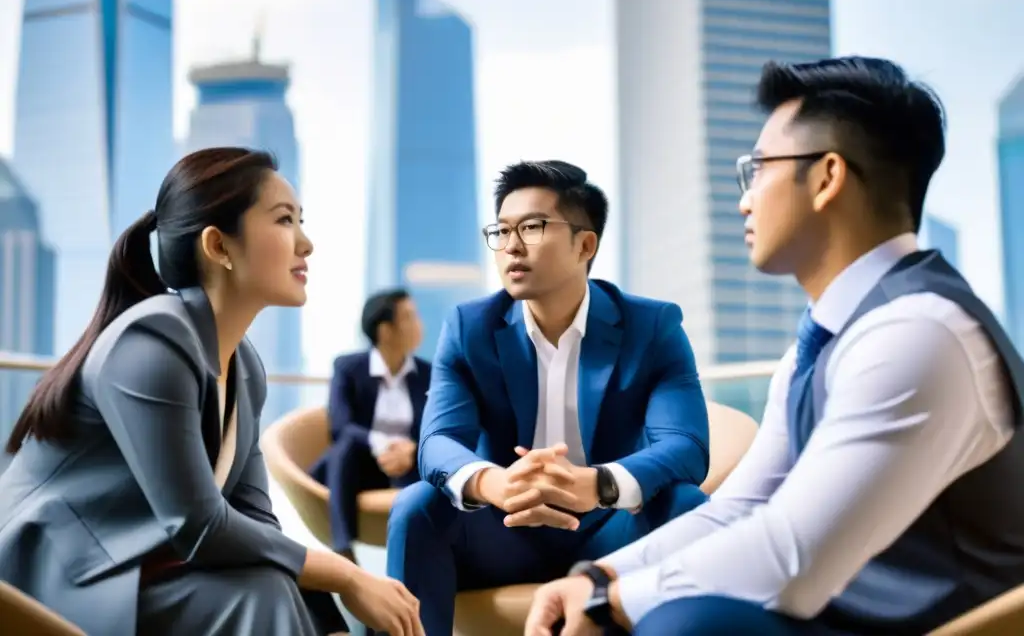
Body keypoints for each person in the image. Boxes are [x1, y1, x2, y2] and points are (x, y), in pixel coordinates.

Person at [525, 57, 1024, 636]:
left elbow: (792, 557)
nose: (745, 199)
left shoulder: (919, 333)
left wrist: (613, 604)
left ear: (827, 177)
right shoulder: (827, 341)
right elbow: (742, 507)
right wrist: (599, 579)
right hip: (842, 615)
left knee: (687, 624)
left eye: (757, 170)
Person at [0, 148, 424, 636]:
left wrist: (329, 608)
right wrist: (348, 575)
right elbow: (198, 525)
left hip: (148, 562)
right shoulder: (151, 341)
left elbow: (255, 520)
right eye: (285, 220)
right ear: (219, 247)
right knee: (263, 594)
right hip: (60, 574)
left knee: (277, 587)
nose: (306, 243)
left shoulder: (245, 368)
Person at [386, 160, 711, 635]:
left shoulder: (652, 326)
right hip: (502, 529)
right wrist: (494, 484)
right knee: (417, 508)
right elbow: (437, 442)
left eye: (533, 227)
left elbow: (686, 446)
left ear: (586, 244)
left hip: (609, 530)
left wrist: (597, 484)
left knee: (686, 504)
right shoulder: (469, 327)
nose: (511, 246)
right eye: (501, 231)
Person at [310, 288, 430, 559]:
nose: (419, 324)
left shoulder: (427, 374)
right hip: (360, 464)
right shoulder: (348, 367)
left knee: (435, 458)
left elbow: (436, 425)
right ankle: (342, 546)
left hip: (408, 465)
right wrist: (383, 445)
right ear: (385, 330)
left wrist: (410, 450)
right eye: (409, 317)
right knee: (346, 446)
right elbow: (341, 426)